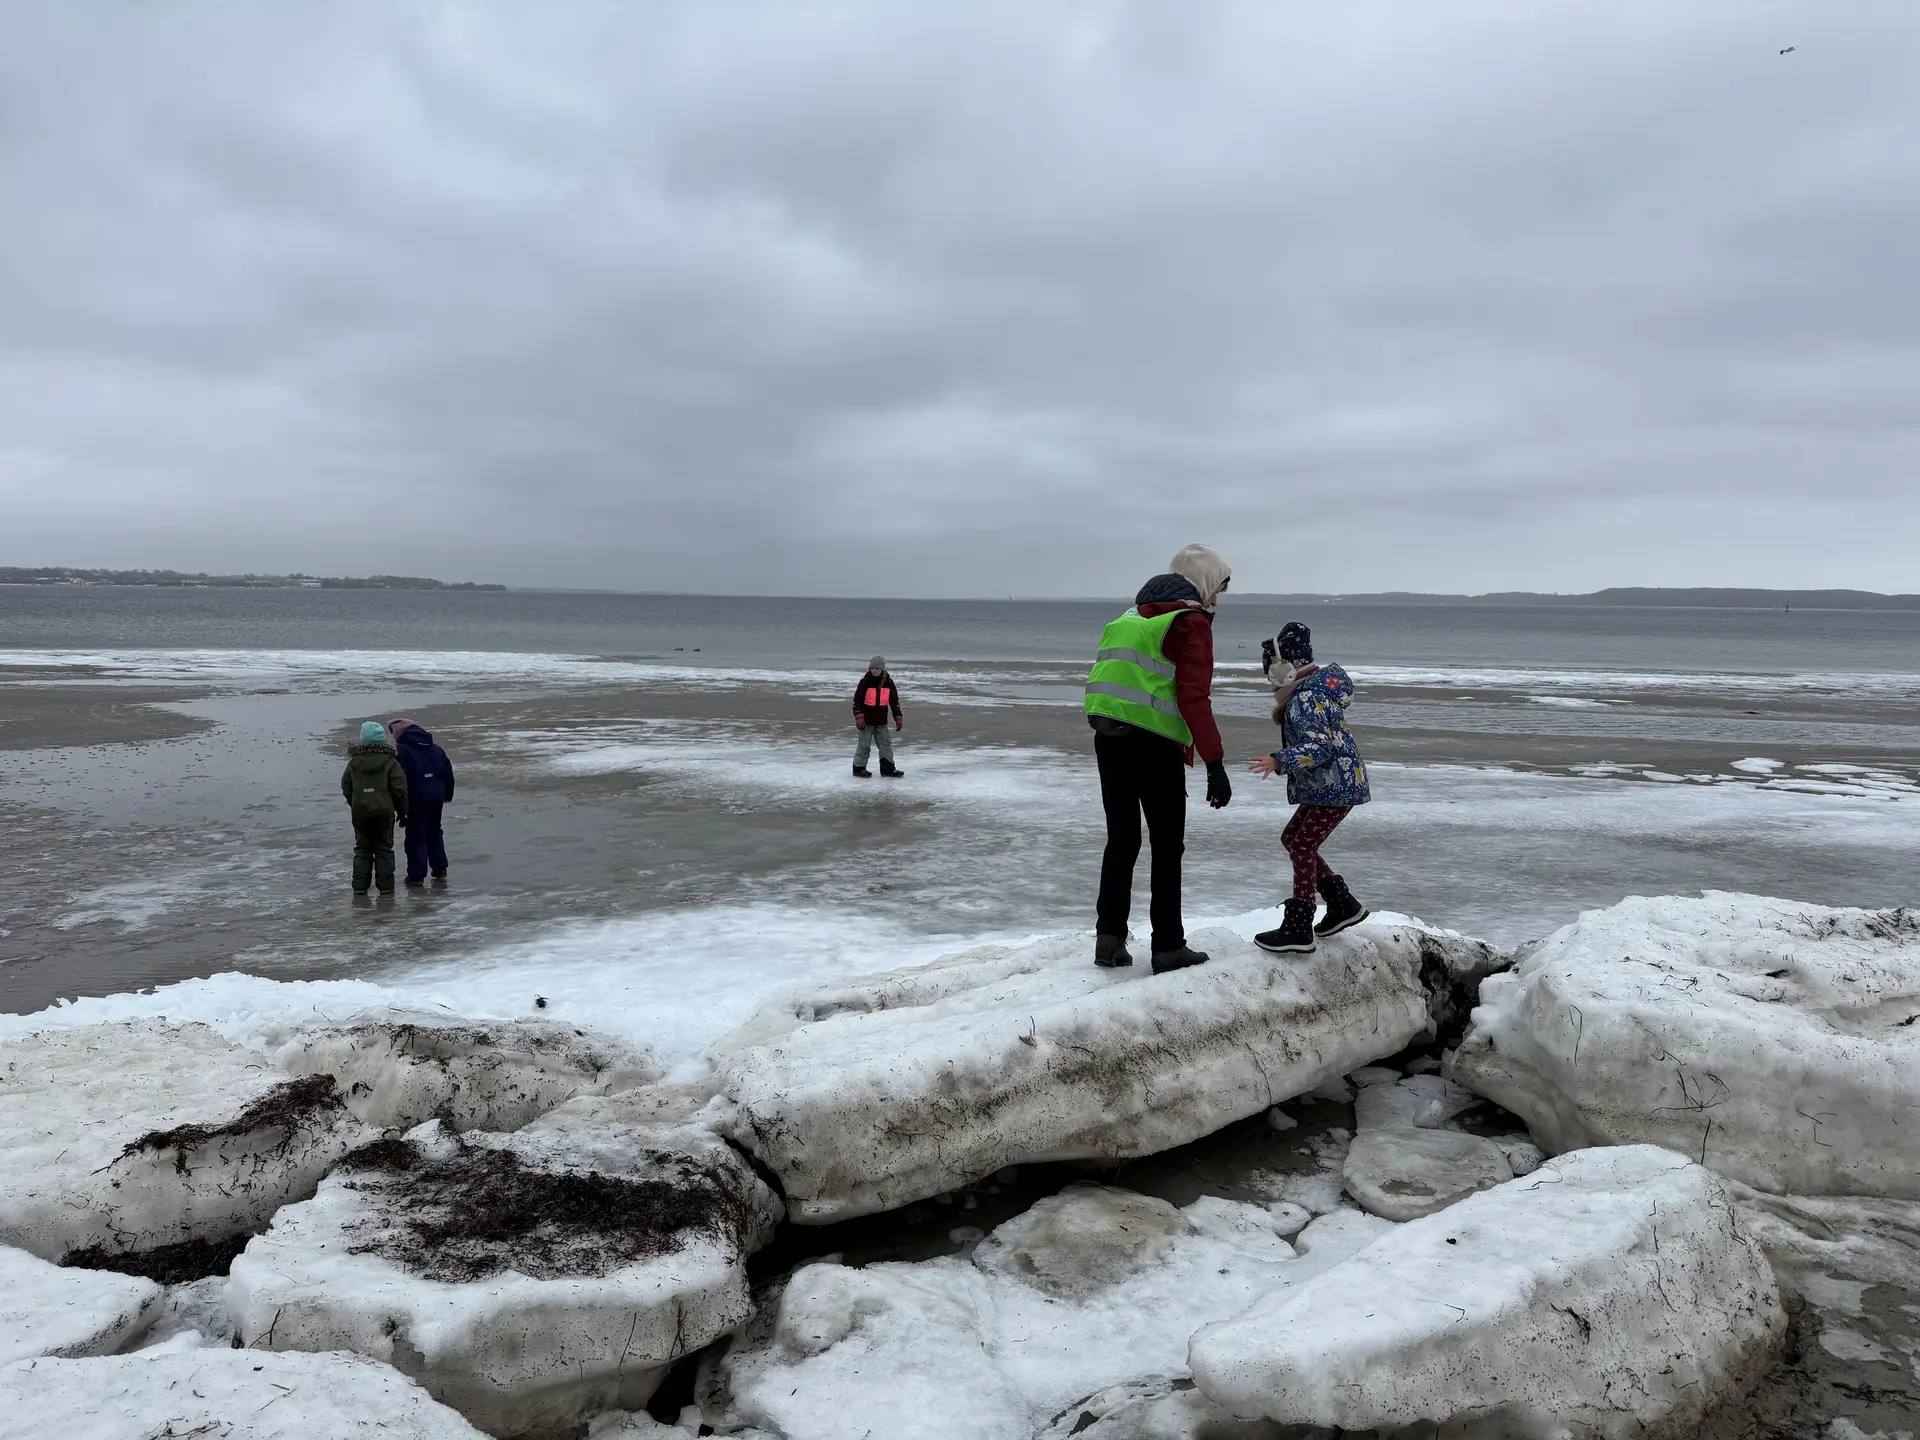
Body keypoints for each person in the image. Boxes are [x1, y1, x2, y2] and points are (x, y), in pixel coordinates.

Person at [1084, 544, 1232, 974]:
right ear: (1204, 582)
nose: (1217, 599)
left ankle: (1108, 940)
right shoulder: (1190, 622)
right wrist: (1215, 764)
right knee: (1167, 848)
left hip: (1109, 739)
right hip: (1154, 748)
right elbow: (1193, 697)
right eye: (1218, 587)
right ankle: (1168, 948)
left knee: (1122, 841)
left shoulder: (1129, 617)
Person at [1248, 622, 1371, 954]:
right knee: (1293, 839)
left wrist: (1279, 760)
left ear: (1286, 669)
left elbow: (1320, 749)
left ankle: (1299, 925)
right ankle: (1341, 903)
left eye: (1271, 671)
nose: (1269, 680)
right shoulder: (1313, 692)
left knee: (1302, 846)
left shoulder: (1306, 698)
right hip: (1333, 784)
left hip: (1335, 786)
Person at [340, 720, 409, 896]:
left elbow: (346, 786)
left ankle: (359, 888)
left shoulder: (354, 763)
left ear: (362, 739)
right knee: (384, 849)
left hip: (360, 811)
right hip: (384, 812)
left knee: (362, 849)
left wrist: (355, 803)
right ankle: (386, 889)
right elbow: (399, 789)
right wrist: (403, 812)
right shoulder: (390, 762)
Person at [387, 718, 456, 885]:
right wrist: (447, 794)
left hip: (416, 796)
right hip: (436, 795)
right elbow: (448, 774)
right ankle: (440, 869)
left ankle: (416, 876)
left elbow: (398, 779)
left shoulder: (401, 751)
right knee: (434, 830)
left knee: (416, 835)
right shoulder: (435, 748)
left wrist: (397, 804)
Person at [852, 655, 905, 779]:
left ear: (882, 669)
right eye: (872, 668)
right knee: (864, 745)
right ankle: (859, 768)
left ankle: (888, 769)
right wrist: (859, 716)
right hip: (866, 721)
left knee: (885, 744)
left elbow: (894, 701)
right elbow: (857, 700)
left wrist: (898, 716)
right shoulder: (865, 681)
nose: (874, 670)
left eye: (877, 668)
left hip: (881, 721)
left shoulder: (888, 682)